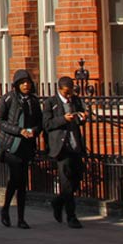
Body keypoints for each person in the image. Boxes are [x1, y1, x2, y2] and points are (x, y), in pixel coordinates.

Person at [0, 69, 42, 228]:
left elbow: (39, 123)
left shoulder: (34, 101)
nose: (25, 85)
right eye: (22, 83)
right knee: (17, 179)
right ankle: (6, 209)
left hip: (26, 146)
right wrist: (18, 131)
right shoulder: (8, 98)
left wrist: (33, 131)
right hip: (11, 146)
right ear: (16, 85)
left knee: (22, 183)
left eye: (27, 82)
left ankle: (20, 218)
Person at [44, 75, 88, 229]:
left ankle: (58, 202)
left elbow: (81, 117)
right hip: (61, 148)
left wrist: (82, 117)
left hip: (75, 145)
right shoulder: (50, 103)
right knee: (67, 183)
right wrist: (63, 119)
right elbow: (47, 124)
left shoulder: (75, 101)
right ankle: (71, 216)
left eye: (71, 92)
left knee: (78, 178)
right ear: (60, 90)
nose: (69, 96)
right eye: (66, 93)